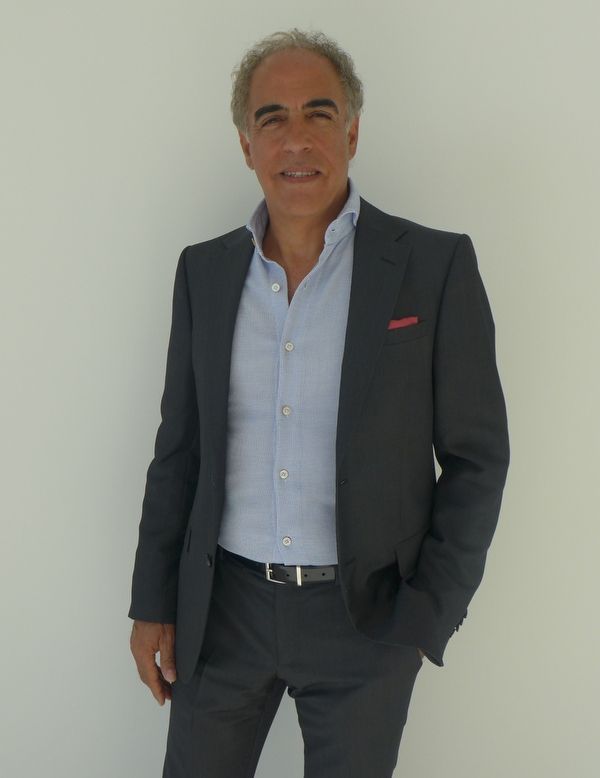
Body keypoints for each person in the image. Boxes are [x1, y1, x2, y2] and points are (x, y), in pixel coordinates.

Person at [128, 28, 510, 778]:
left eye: (319, 113)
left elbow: (477, 457)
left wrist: (427, 614)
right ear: (246, 144)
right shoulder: (204, 273)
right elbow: (179, 448)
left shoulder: (433, 266)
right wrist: (152, 600)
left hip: (366, 620)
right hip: (223, 611)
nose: (296, 138)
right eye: (272, 117)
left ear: (353, 132)